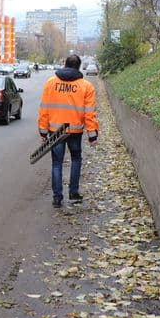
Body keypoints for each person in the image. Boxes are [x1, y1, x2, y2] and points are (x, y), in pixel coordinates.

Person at [38, 54, 99, 208]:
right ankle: (73, 193)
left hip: (55, 131)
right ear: (78, 67)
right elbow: (89, 113)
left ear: (65, 64)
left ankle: (57, 198)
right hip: (75, 132)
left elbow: (44, 108)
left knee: (56, 164)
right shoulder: (86, 86)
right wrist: (92, 135)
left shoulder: (51, 83)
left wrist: (43, 131)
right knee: (76, 160)